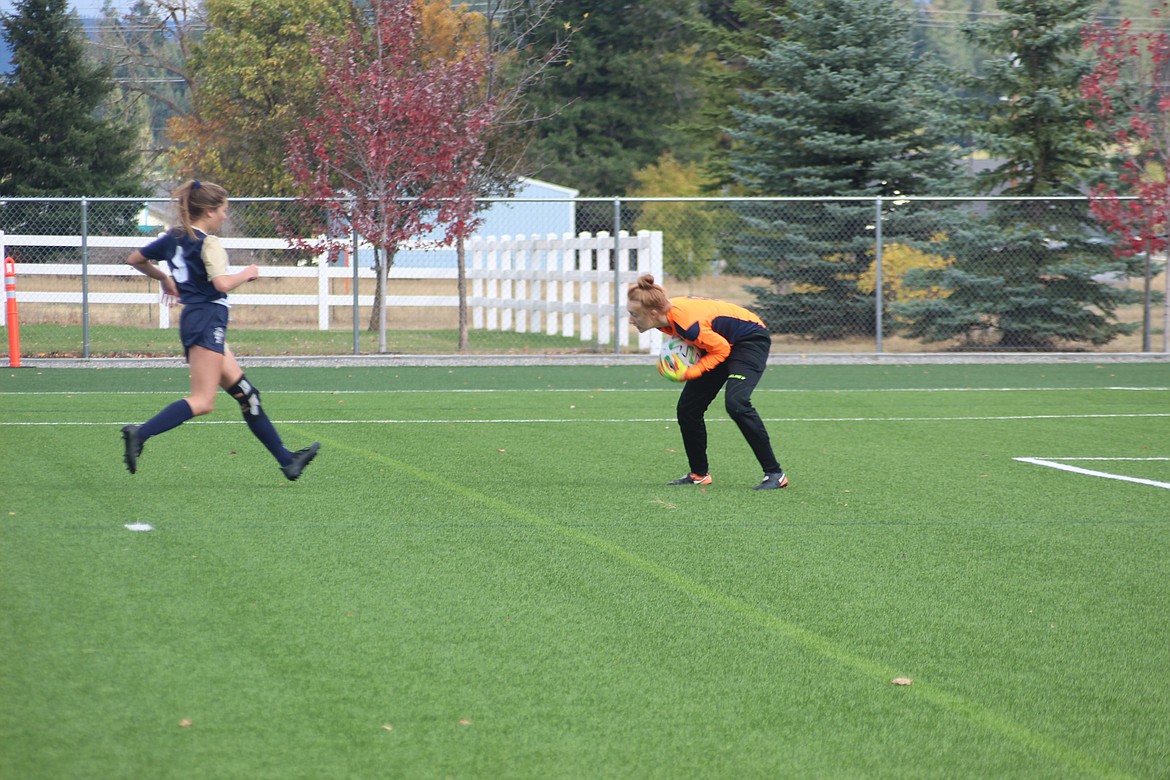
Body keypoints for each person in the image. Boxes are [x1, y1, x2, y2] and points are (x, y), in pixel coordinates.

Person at [120, 179, 319, 481]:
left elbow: (136, 260)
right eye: (224, 210)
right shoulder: (208, 242)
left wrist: (163, 277)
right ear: (210, 211)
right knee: (203, 401)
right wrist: (248, 273)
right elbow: (221, 284)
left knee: (247, 395)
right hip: (207, 319)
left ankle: (287, 460)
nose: (225, 216)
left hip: (198, 320)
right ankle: (140, 433)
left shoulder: (173, 237)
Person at [627, 274, 786, 490]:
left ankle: (775, 474)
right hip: (717, 344)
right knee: (688, 408)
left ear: (653, 313)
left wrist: (693, 371)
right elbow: (707, 343)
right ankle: (699, 474)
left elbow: (722, 349)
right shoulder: (663, 317)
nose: (630, 320)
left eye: (634, 314)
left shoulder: (687, 324)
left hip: (748, 340)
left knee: (737, 403)